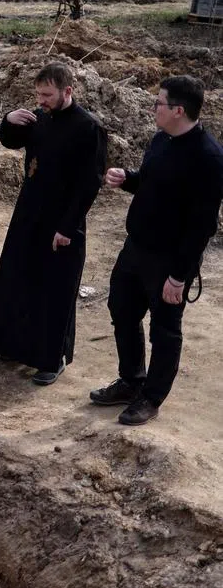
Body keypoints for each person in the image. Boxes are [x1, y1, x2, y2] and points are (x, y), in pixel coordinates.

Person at [91, 75, 223, 425]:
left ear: (178, 110)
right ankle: (131, 381)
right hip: (136, 248)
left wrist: (179, 277)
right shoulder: (161, 139)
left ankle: (151, 397)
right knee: (121, 310)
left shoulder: (208, 158)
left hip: (168, 260)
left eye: (159, 103)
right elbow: (153, 185)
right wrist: (128, 179)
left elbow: (202, 227)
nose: (153, 108)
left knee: (164, 330)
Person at [0, 63, 106, 385]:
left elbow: (90, 183)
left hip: (62, 220)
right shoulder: (40, 117)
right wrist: (8, 121)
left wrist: (68, 227)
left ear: (67, 91)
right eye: (38, 94)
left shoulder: (88, 127)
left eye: (47, 95)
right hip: (29, 211)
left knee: (55, 290)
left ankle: (53, 357)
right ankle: (12, 344)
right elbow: (11, 141)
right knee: (20, 278)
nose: (42, 100)